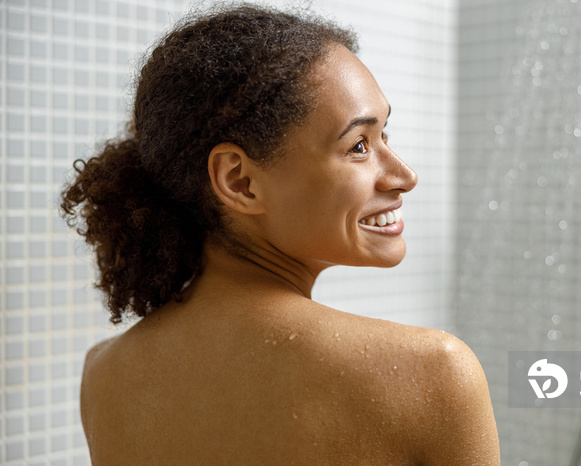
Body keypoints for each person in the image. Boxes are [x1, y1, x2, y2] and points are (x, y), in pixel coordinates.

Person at [61, 4, 500, 465]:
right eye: (358, 146)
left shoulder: (105, 377)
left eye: (384, 135)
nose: (404, 175)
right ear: (240, 181)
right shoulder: (432, 374)